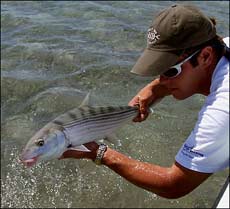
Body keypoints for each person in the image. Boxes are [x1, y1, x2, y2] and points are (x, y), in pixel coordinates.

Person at [60, 4, 229, 199]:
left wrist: (99, 154)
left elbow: (174, 184)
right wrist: (154, 89)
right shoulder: (222, 45)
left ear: (206, 56)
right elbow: (168, 81)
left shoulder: (223, 107)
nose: (163, 79)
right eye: (158, 68)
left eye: (169, 70)